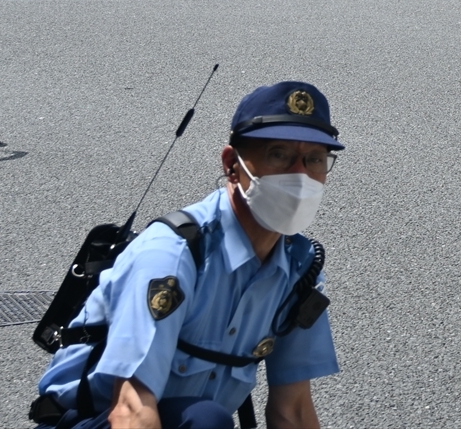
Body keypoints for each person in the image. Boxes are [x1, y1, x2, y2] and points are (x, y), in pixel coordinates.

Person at [33, 81, 341, 429]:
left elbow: (293, 411)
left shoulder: (299, 268)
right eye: (279, 155)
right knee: (206, 420)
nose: (299, 176)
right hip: (96, 420)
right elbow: (131, 411)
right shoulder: (173, 254)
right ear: (232, 164)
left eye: (314, 159)